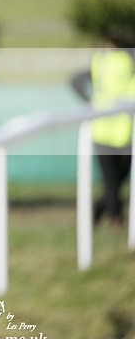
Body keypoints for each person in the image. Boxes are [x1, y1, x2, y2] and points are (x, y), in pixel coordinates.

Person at [70, 42, 135, 225]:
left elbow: (75, 80)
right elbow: (75, 80)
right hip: (112, 131)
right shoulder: (107, 61)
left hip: (118, 131)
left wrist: (90, 102)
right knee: (112, 180)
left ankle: (95, 213)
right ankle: (116, 219)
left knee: (114, 181)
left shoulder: (105, 60)